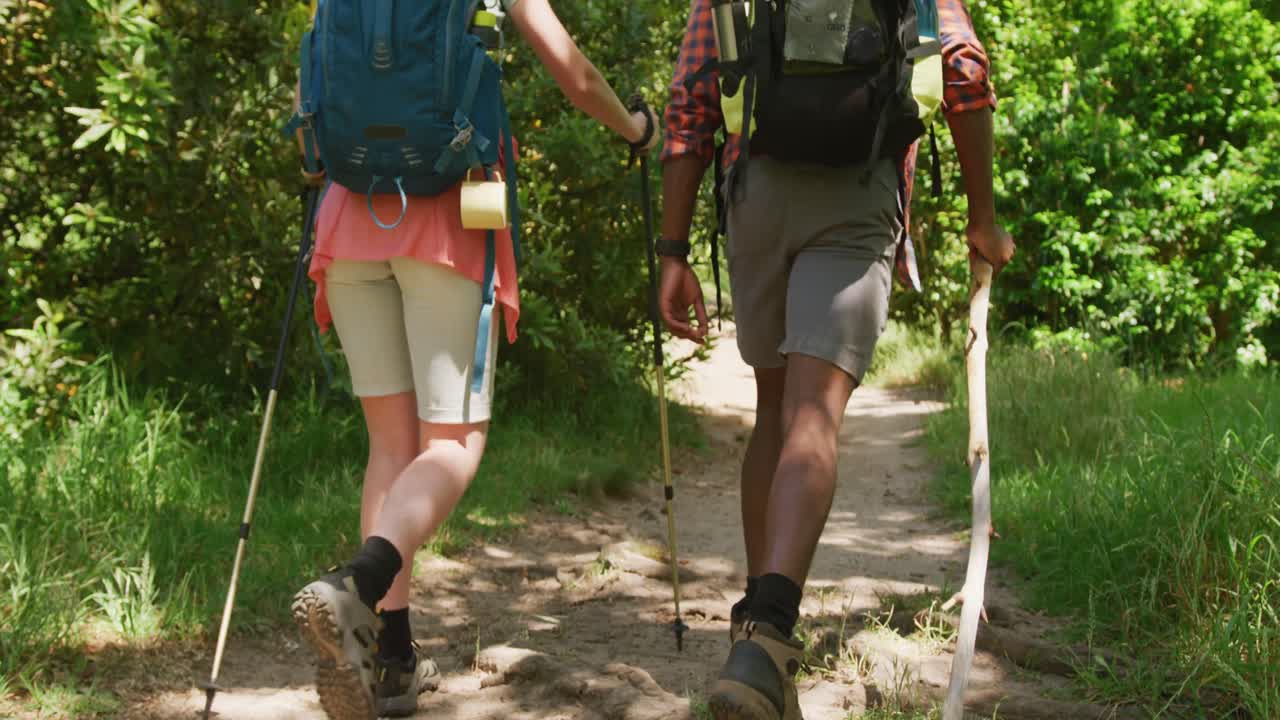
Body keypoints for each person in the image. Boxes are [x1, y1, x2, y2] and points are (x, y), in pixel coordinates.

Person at [286, 1, 659, 718]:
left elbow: (313, 78)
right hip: (447, 216)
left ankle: (392, 659)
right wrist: (636, 128)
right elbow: (574, 73)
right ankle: (357, 586)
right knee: (453, 443)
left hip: (349, 213)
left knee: (390, 445)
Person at [657, 1, 1015, 718]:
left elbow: (692, 100)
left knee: (774, 409)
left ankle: (753, 629)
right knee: (813, 413)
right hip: (860, 187)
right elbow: (964, 69)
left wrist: (672, 250)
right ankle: (768, 639)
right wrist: (982, 215)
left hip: (756, 191)